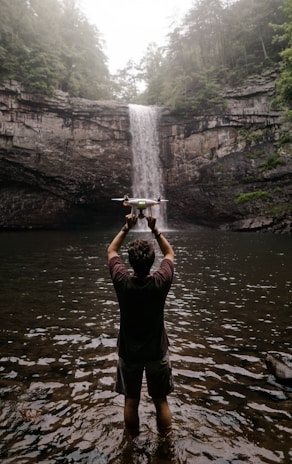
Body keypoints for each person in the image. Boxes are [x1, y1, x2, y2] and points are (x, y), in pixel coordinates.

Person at [107, 213, 174, 438]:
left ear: (131, 262)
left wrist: (127, 227)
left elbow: (111, 251)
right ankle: (166, 442)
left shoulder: (122, 282)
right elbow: (170, 253)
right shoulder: (160, 282)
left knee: (131, 400)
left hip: (129, 352)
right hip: (156, 350)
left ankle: (131, 441)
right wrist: (155, 229)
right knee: (160, 400)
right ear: (152, 262)